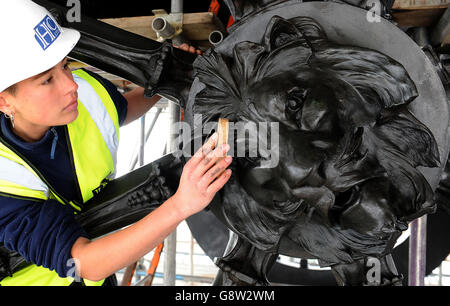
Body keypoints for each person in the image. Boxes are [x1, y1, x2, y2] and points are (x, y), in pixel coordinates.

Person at [0, 0, 232, 286]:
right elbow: (84, 262)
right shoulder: (4, 182)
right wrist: (181, 205)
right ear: (4, 100)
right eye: (47, 80)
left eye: (65, 66)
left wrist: (173, 83)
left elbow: (120, 108)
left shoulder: (81, 94)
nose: (70, 85)